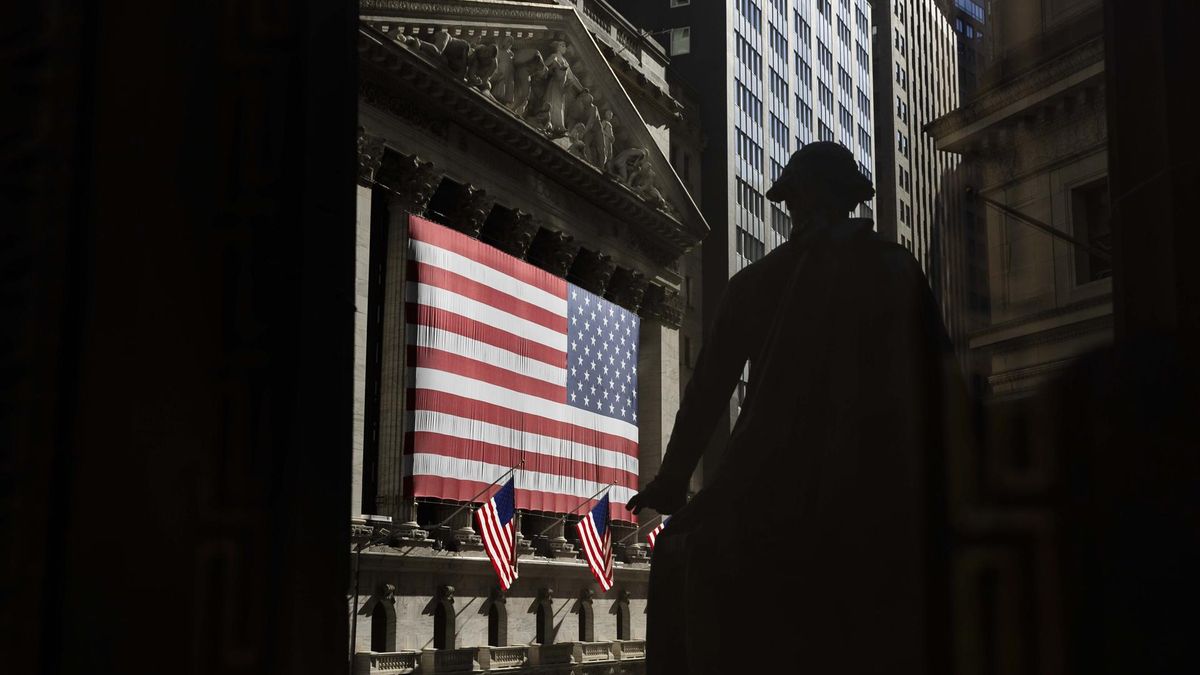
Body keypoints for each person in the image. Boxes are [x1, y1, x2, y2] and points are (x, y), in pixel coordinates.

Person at [627, 142, 960, 675]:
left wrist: (670, 484)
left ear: (794, 202)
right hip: (883, 481)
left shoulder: (755, 283)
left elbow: (706, 392)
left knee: (676, 559)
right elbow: (946, 382)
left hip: (772, 478)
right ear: (852, 200)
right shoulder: (896, 269)